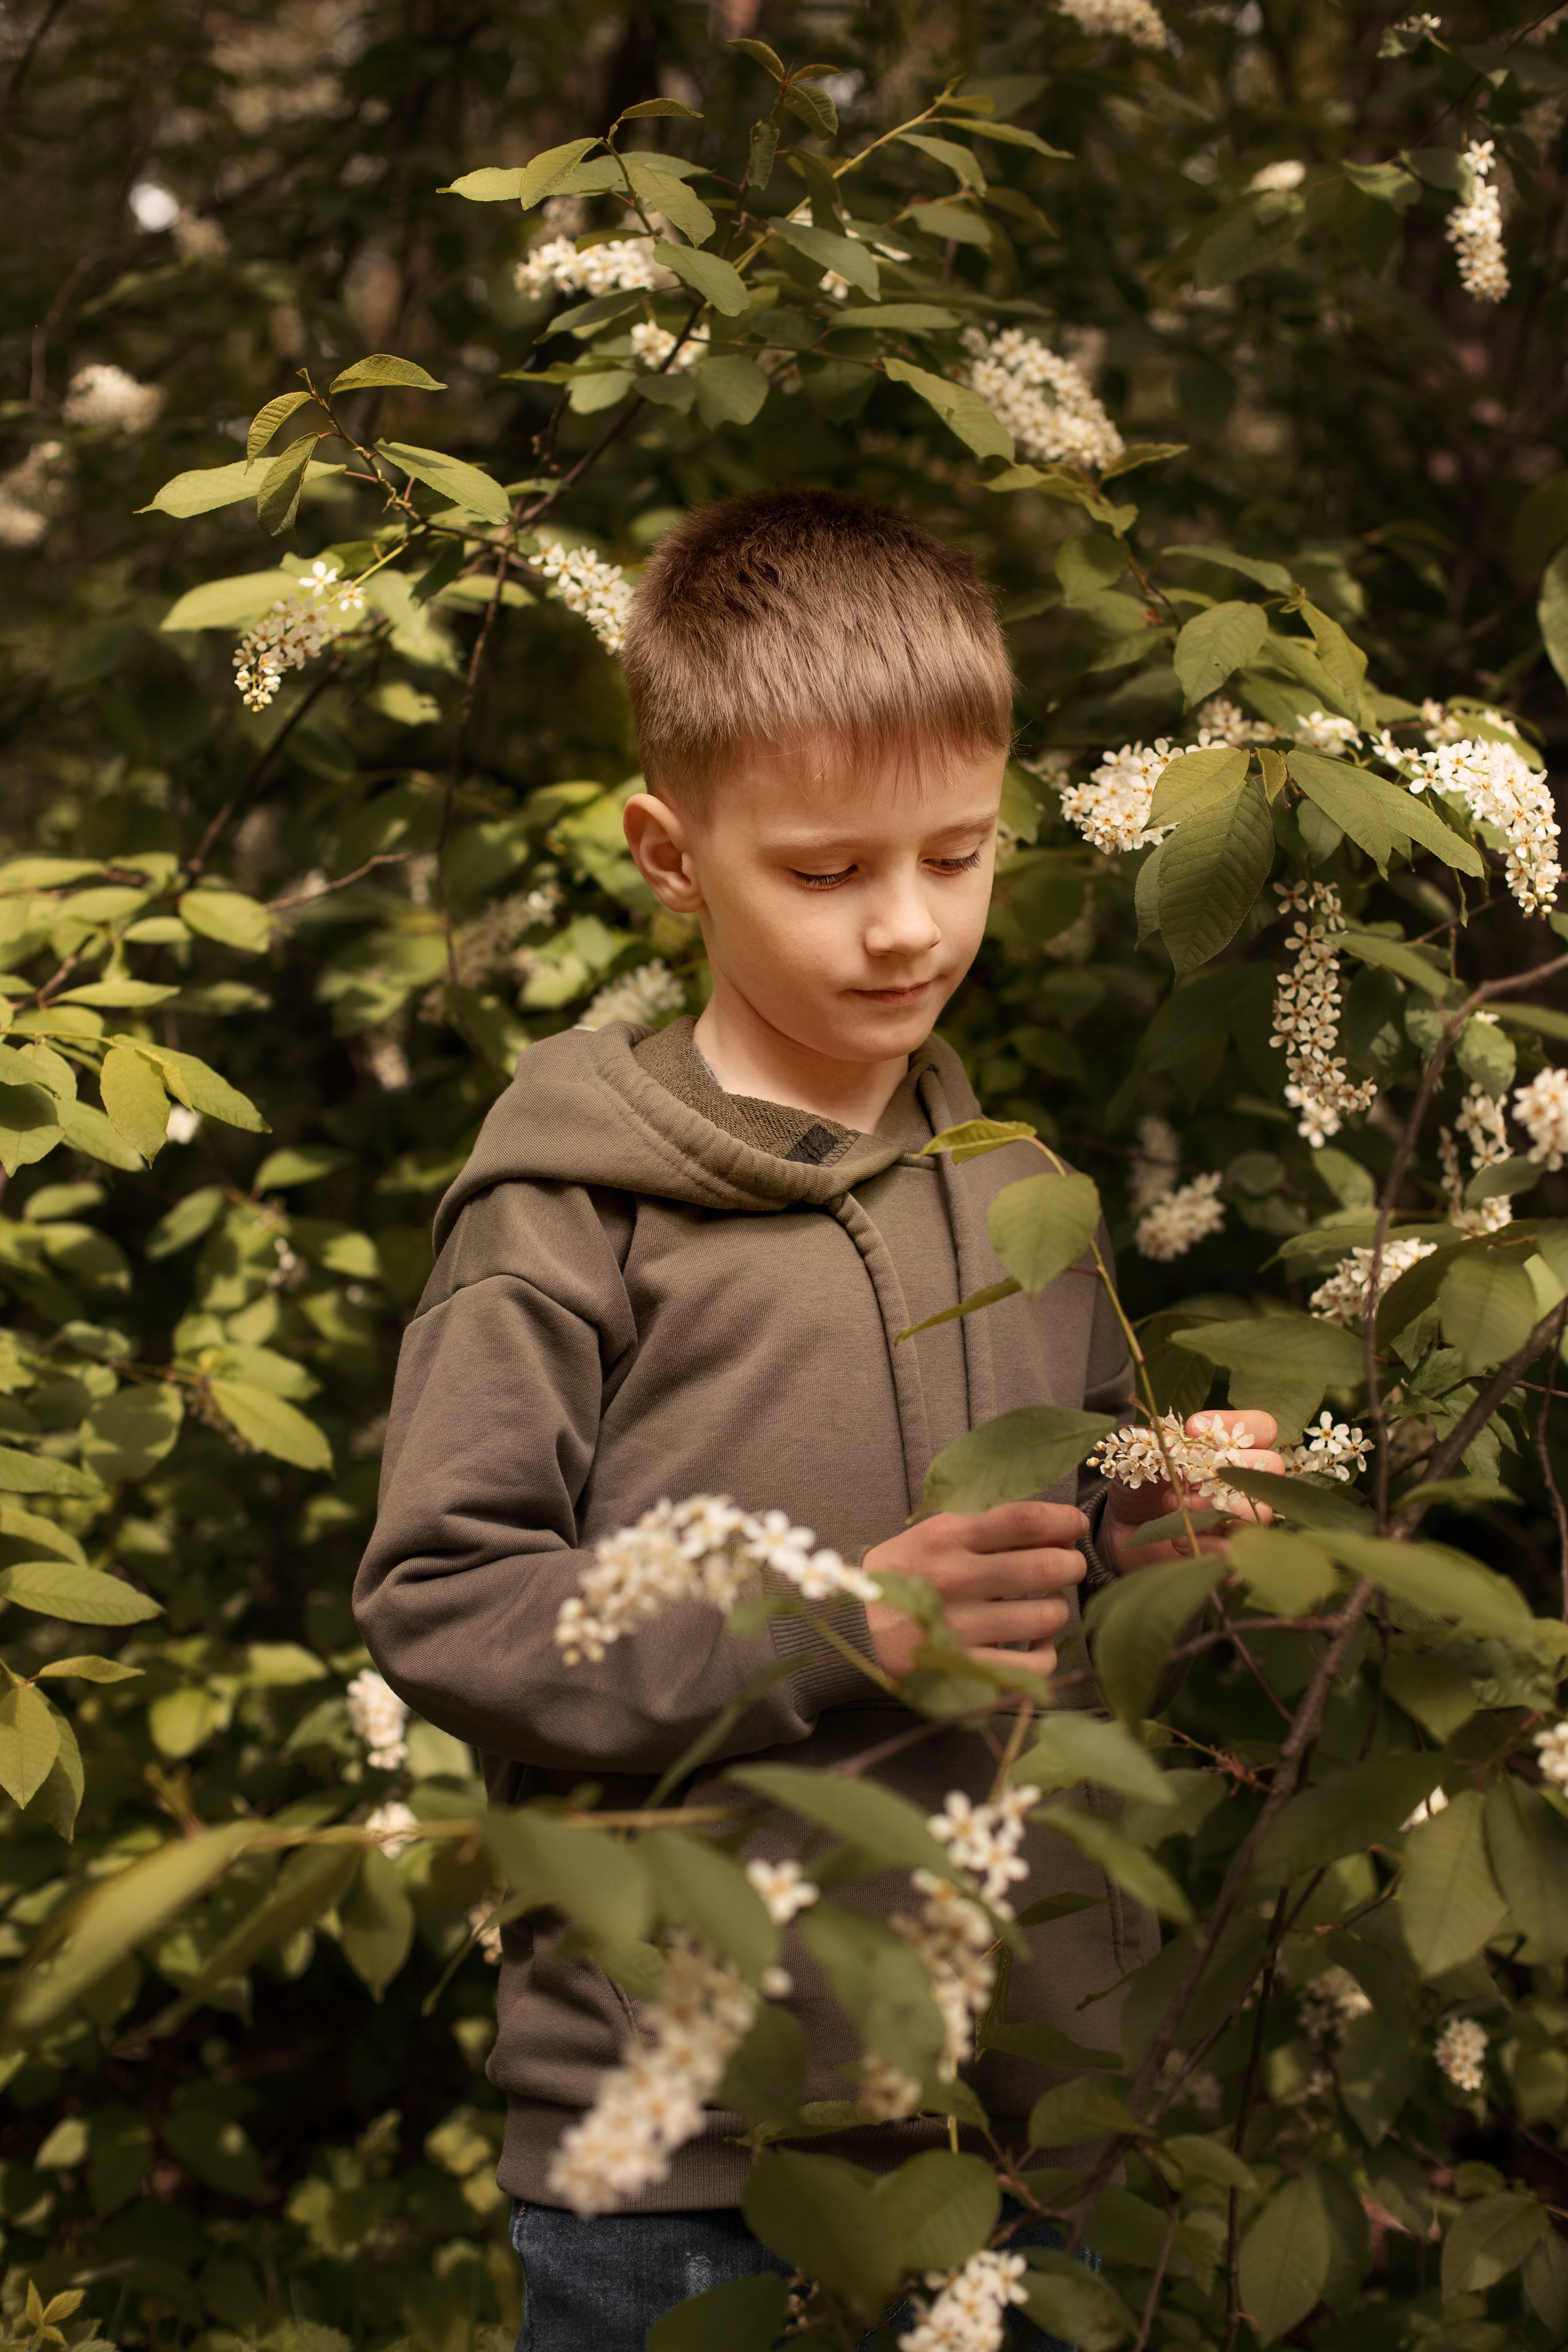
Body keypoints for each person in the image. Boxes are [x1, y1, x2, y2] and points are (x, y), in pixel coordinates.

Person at [355, 488, 1280, 2350]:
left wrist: (1144, 1528)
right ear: (670, 854)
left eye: (957, 854)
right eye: (829, 870)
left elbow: (1055, 1560)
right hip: (684, 2164)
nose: (908, 927)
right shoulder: (571, 1210)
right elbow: (444, 1597)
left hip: (1018, 2141)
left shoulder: (1029, 1197)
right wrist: (837, 1626)